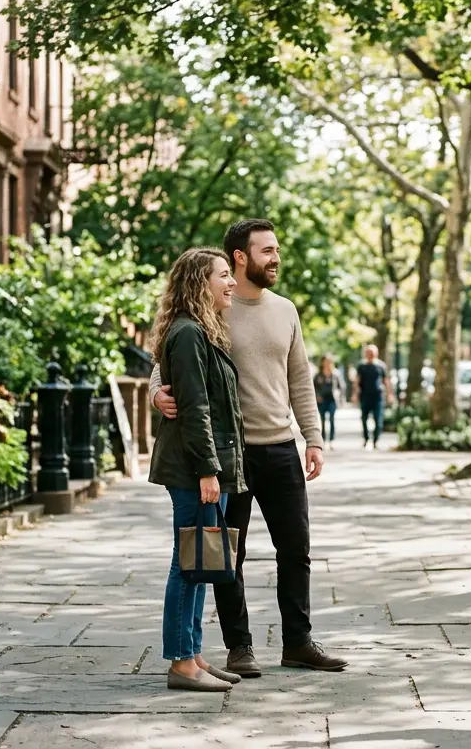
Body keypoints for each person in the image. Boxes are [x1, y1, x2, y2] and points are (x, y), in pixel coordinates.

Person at [152, 219, 348, 676]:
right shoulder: (211, 306)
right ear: (240, 257)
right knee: (225, 553)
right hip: (228, 453)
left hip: (280, 447)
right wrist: (155, 391)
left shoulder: (285, 310)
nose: (276, 257)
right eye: (267, 250)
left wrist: (313, 437)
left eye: (276, 249)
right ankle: (239, 647)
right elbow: (170, 358)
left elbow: (299, 377)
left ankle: (298, 642)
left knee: (295, 550)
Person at [147, 248, 246, 693]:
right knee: (187, 563)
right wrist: (209, 470)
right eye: (223, 275)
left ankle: (194, 653)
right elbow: (195, 408)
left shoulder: (204, 330)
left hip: (208, 467)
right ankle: (181, 664)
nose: (232, 282)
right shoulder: (188, 333)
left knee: (202, 558)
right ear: (199, 283)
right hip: (194, 469)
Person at [356, 345, 390, 449]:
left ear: (376, 353)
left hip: (378, 396)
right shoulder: (361, 366)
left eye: (372, 352)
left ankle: (375, 440)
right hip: (365, 396)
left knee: (378, 419)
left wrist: (390, 394)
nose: (370, 355)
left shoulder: (381, 366)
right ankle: (366, 439)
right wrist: (354, 394)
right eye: (369, 352)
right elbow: (357, 381)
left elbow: (386, 381)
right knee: (364, 419)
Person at [313, 355, 346, 451]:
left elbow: (342, 387)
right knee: (322, 421)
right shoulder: (318, 375)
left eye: (329, 361)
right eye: (325, 361)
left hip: (332, 400)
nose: (327, 363)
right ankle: (322, 440)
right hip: (322, 400)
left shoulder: (336, 374)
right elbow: (313, 387)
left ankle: (331, 441)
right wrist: (317, 396)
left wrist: (341, 399)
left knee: (331, 420)